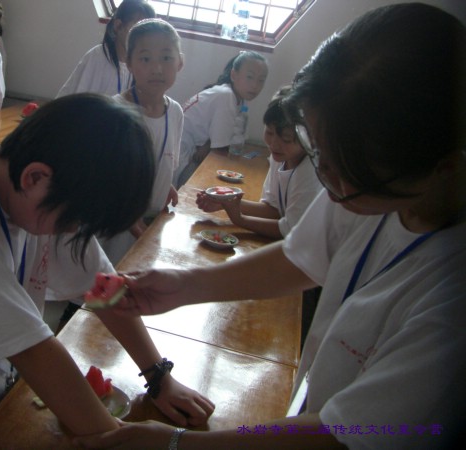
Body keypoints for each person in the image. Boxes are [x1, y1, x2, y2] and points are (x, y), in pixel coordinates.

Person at [73, 3, 466, 449]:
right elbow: (301, 256)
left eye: (345, 170)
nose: (327, 178)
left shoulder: (450, 304)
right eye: (318, 153)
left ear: (446, 170)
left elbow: (349, 435)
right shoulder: (371, 185)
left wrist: (177, 444)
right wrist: (184, 285)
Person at [0, 94, 214, 449]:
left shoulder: (35, 190)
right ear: (35, 176)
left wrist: (158, 376)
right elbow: (33, 352)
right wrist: (119, 442)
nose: (72, 232)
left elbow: (103, 287)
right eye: (74, 221)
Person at [100, 18, 184, 265]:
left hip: (149, 223)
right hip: (114, 223)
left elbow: (164, 157)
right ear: (129, 63)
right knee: (107, 278)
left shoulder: (175, 112)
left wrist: (165, 184)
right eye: (146, 59)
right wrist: (132, 222)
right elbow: (103, 179)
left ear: (180, 62)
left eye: (166, 58)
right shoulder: (115, 111)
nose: (157, 68)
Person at [196, 86, 322, 240]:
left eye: (286, 139)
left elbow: (290, 231)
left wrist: (240, 219)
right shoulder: (281, 155)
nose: (274, 144)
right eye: (269, 132)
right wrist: (225, 203)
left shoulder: (312, 171)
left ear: (308, 137)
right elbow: (274, 210)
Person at [174, 50, 268, 188]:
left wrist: (208, 145)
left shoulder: (238, 99)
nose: (255, 85)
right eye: (249, 77)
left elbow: (232, 139)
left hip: (192, 154)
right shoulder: (226, 96)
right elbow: (219, 151)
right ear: (234, 75)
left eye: (261, 80)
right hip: (181, 160)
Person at [55, 0, 155, 97]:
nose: (142, 38)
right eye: (136, 30)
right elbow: (78, 102)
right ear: (118, 26)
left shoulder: (137, 64)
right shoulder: (98, 57)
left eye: (146, 33)